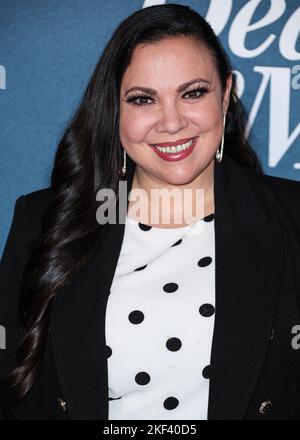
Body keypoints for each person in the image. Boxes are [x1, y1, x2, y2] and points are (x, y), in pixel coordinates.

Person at [0, 3, 300, 421]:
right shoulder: (44, 221)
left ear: (226, 94)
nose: (171, 122)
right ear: (115, 109)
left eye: (193, 93)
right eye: (143, 100)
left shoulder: (291, 217)